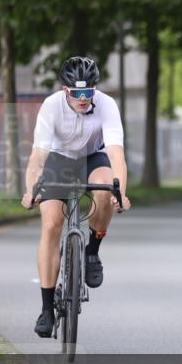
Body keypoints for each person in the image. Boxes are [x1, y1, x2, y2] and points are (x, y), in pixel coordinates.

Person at [21, 56, 132, 338]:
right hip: (59, 159)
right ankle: (46, 309)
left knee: (106, 191)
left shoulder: (106, 105)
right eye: (77, 93)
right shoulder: (51, 107)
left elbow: (116, 153)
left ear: (94, 90)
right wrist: (30, 188)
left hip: (93, 158)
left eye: (88, 92)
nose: (83, 99)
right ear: (64, 90)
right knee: (50, 224)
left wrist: (121, 190)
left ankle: (92, 252)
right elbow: (38, 156)